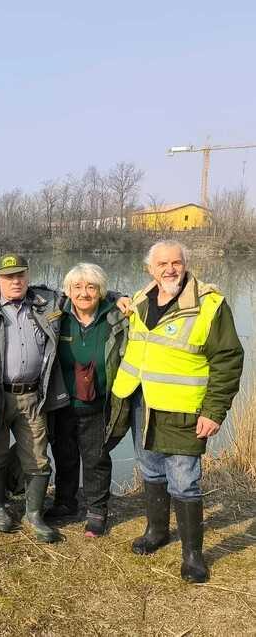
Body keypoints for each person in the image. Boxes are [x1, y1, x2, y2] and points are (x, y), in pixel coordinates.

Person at [110, 240, 243, 583]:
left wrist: (214, 411)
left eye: (176, 263)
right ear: (149, 269)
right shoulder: (141, 298)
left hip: (184, 408)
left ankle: (193, 555)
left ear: (186, 264)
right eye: (162, 264)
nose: (170, 269)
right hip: (143, 402)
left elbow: (228, 360)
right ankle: (156, 531)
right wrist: (116, 297)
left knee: (184, 481)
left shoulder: (210, 304)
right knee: (151, 471)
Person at [0, 253, 68, 543]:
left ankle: (34, 514)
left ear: (28, 276)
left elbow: (85, 293)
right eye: (8, 276)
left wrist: (117, 296)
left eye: (20, 275)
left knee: (38, 458)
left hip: (33, 397)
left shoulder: (47, 303)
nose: (15, 281)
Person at [46, 263, 127, 537]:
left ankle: (97, 510)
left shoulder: (116, 317)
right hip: (63, 403)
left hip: (99, 404)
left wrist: (119, 297)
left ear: (102, 292)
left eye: (91, 287)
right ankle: (65, 502)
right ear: (68, 291)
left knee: (96, 458)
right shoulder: (57, 316)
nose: (84, 293)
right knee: (64, 456)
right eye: (77, 287)